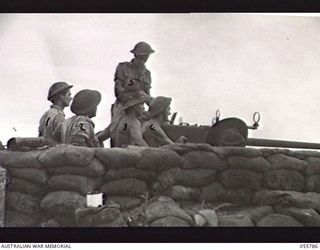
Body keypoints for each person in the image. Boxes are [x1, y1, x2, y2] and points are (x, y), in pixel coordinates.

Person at [111, 41, 155, 121]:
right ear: (135, 55)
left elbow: (147, 94)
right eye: (141, 56)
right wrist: (135, 96)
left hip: (139, 110)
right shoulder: (123, 67)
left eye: (146, 56)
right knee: (117, 130)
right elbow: (118, 90)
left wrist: (154, 102)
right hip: (122, 108)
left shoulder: (147, 74)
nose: (144, 59)